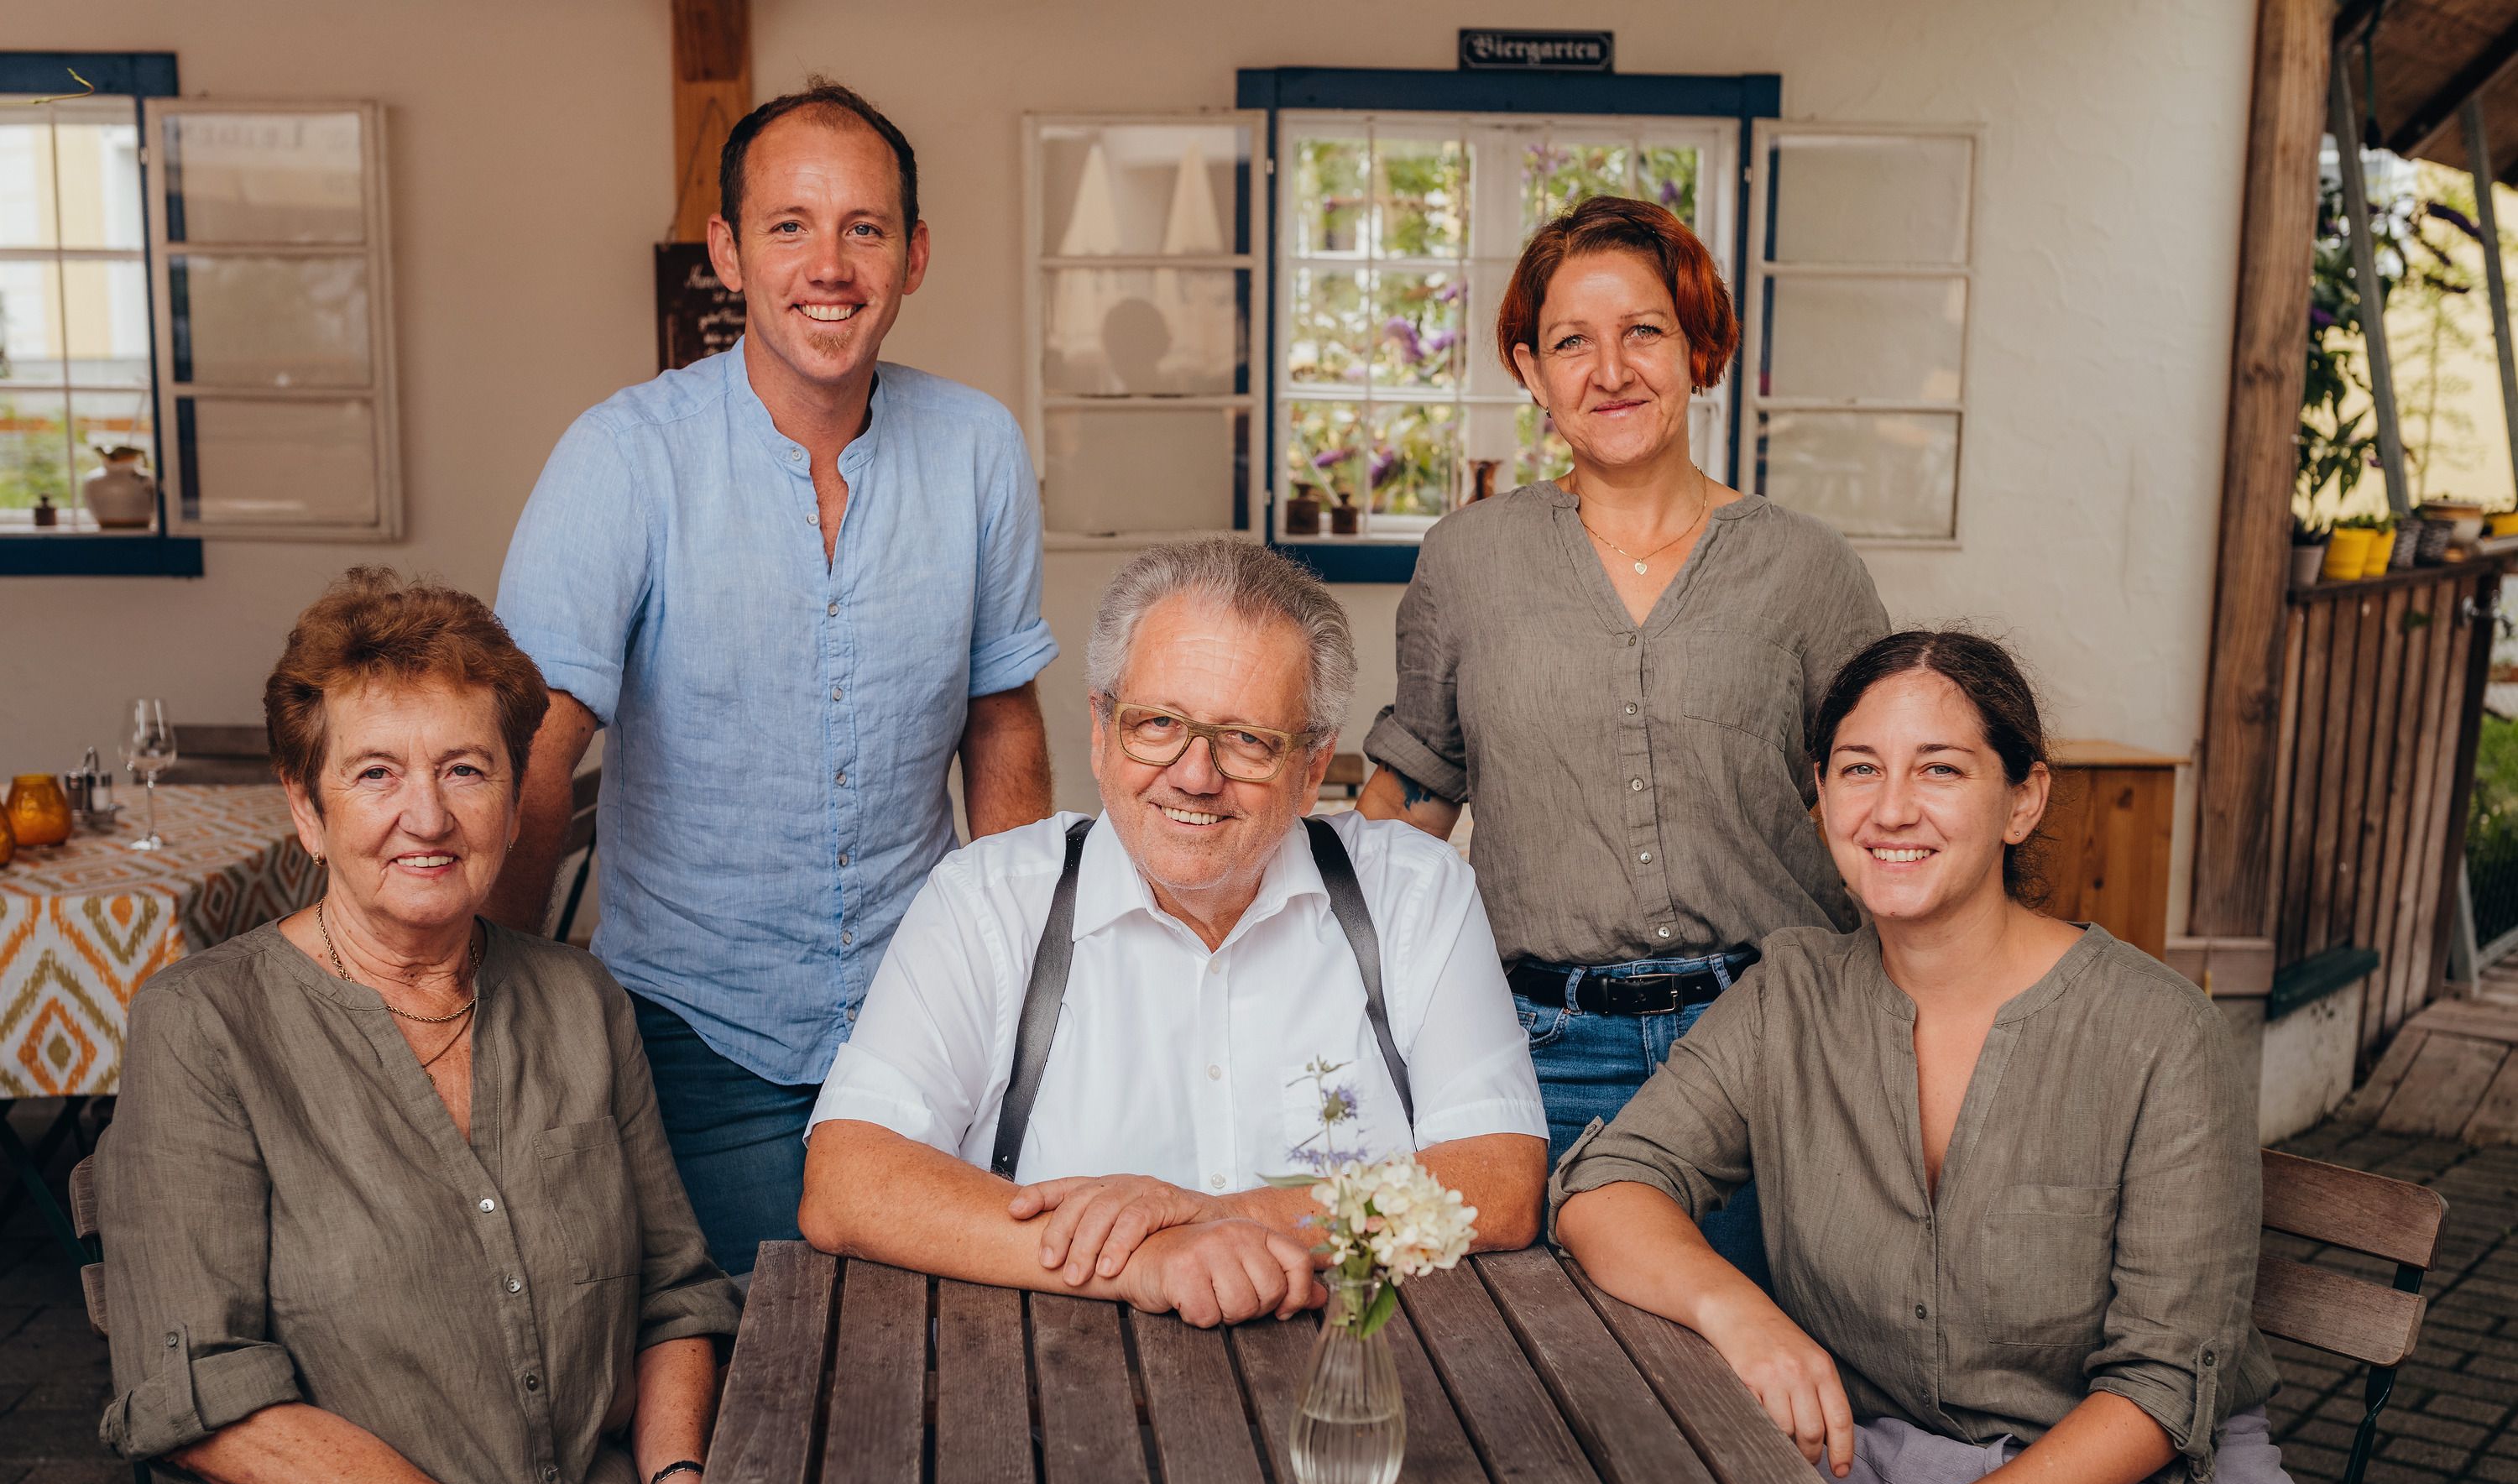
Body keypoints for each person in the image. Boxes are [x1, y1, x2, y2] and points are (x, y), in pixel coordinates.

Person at [1551, 630, 2307, 1484]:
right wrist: (1742, 1312)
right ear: (1821, 796)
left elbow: (2159, 1394)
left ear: (2023, 799)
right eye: (1860, 768)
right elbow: (1608, 1182)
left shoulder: (2159, 1034)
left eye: (1940, 768)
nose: (1891, 807)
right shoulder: (1792, 995)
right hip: (1865, 1466)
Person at [97, 571, 744, 1484]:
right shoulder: (204, 1027)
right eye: (378, 774)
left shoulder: (582, 1004)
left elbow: (673, 1290)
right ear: (308, 806)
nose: (428, 816)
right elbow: (201, 1400)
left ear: (512, 796)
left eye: (465, 771)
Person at [490, 78, 1058, 1279]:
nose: (829, 265)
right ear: (729, 254)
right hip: (697, 1038)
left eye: (864, 228)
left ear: (914, 257)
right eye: (789, 225)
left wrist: (1025, 988)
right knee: (733, 1360)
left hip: (931, 1021)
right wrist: (494, 1009)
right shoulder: (623, 458)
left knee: (951, 1352)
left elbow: (1001, 720)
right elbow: (536, 749)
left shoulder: (979, 450)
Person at [798, 540, 1548, 1324]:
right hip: (1043, 1390)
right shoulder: (987, 902)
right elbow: (849, 1181)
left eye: (1248, 740)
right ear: (1100, 726)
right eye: (1157, 723)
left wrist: (1221, 1218)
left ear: (1313, 763)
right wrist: (1144, 1262)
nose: (1195, 774)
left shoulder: (1413, 894)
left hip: (1360, 1381)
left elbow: (1498, 1179)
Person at [1357, 195, 1889, 1289]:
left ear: (1700, 348)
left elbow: (1883, 808)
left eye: (1644, 330)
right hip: (1539, 1048)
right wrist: (1353, 1005)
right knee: (1544, 1381)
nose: (1611, 370)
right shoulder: (1467, 561)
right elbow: (1412, 798)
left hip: (1767, 1043)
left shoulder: (1806, 570)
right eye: (1571, 342)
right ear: (1531, 369)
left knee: (1752, 1379)